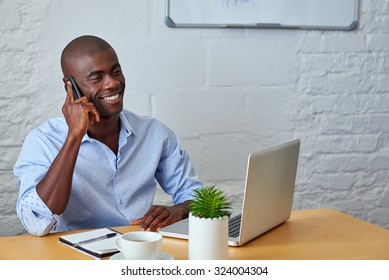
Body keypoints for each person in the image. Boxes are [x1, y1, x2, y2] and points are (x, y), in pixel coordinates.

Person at [13, 35, 202, 236]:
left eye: (116, 71)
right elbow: (36, 224)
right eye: (96, 77)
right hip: (76, 256)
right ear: (70, 86)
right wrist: (74, 137)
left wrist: (178, 211)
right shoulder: (43, 141)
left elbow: (199, 198)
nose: (112, 83)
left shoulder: (154, 133)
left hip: (138, 250)